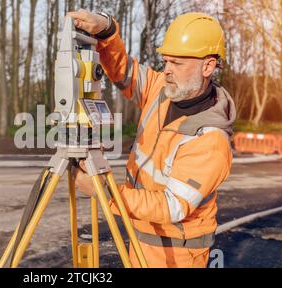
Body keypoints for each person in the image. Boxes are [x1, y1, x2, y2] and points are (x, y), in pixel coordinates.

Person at [68, 9, 236, 268]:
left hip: (176, 255)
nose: (166, 70)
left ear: (208, 66)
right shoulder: (162, 89)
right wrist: (107, 31)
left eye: (177, 63)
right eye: (166, 61)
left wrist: (105, 192)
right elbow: (123, 70)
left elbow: (172, 206)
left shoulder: (211, 139)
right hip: (141, 238)